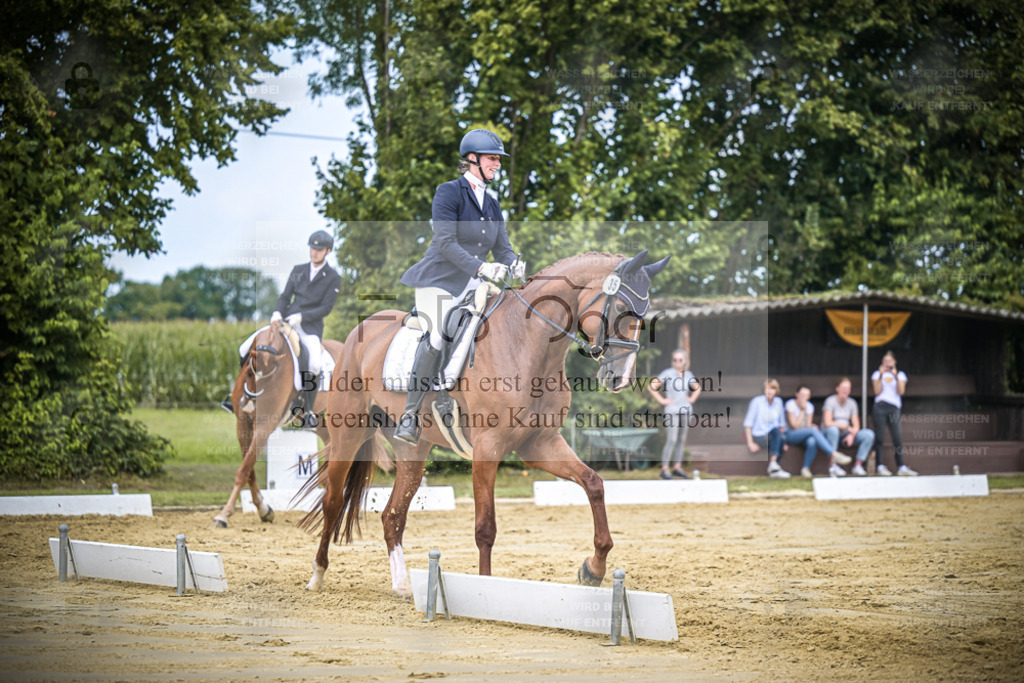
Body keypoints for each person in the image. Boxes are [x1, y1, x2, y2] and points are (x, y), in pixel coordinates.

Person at [394, 129, 524, 444]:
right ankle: (410, 416)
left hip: (474, 285)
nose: (497, 164)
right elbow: (445, 241)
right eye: (493, 158)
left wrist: (515, 263)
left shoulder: (492, 205)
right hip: (438, 281)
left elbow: (503, 249)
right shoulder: (449, 192)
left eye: (498, 159)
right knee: (439, 333)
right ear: (472, 159)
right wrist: (481, 267)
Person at [221, 230, 342, 427]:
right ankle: (236, 395)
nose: (314, 252)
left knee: (314, 364)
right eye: (312, 248)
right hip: (285, 323)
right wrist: (278, 312)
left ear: (327, 251)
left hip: (309, 328)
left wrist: (302, 317)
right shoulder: (298, 270)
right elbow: (285, 296)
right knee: (245, 348)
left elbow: (326, 308)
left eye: (319, 250)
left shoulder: (333, 277)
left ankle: (309, 410)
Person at [648, 349, 702, 479]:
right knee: (671, 439)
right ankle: (665, 468)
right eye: (675, 360)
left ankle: (677, 466)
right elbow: (652, 386)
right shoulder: (668, 373)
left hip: (686, 411)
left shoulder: (688, 374)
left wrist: (692, 399)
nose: (677, 362)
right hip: (672, 411)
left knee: (681, 440)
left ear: (685, 361)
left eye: (680, 359)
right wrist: (662, 400)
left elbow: (697, 388)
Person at [783, 385, 852, 478]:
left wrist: (810, 426)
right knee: (812, 430)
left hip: (803, 434)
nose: (804, 397)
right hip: (790, 434)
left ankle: (805, 468)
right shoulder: (790, 404)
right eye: (802, 395)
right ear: (797, 394)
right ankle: (834, 453)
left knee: (812, 441)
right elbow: (794, 425)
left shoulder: (810, 406)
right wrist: (803, 410)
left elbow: (807, 425)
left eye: (806, 395)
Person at [871, 350, 917, 476]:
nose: (887, 363)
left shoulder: (900, 375)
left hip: (894, 408)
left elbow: (901, 391)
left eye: (889, 361)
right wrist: (881, 375)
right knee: (879, 438)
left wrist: (895, 376)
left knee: (897, 438)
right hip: (880, 407)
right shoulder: (876, 374)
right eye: (885, 361)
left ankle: (901, 466)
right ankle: (879, 465)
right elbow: (877, 391)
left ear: (894, 362)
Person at [822, 377, 876, 476]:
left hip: (846, 436)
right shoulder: (830, 401)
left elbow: (856, 425)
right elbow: (828, 422)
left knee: (869, 434)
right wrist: (846, 427)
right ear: (837, 389)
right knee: (833, 430)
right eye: (843, 388)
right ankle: (833, 466)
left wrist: (852, 435)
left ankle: (858, 466)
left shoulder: (852, 403)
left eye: (848, 388)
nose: (845, 390)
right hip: (830, 435)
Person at [743, 379, 790, 478]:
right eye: (767, 389)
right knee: (776, 433)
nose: (769, 391)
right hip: (759, 435)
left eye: (772, 389)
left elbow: (781, 424)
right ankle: (773, 465)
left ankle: (774, 468)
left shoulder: (778, 402)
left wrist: (783, 442)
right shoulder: (756, 402)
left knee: (781, 437)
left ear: (776, 390)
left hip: (774, 435)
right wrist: (750, 443)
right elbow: (748, 424)